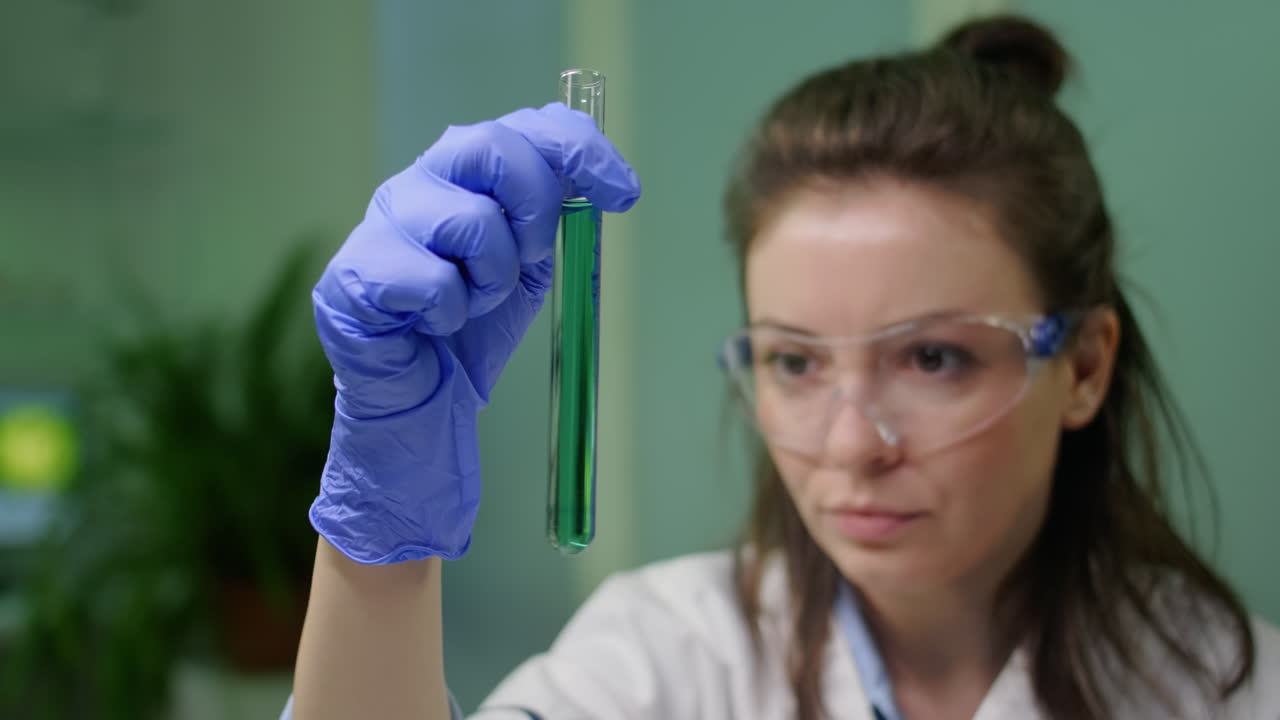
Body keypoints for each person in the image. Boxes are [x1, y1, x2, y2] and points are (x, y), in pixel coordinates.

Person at [283, 15, 1280, 720]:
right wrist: (380, 548)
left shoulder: (1237, 691)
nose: (850, 447)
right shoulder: (666, 661)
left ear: (1085, 368)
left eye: (932, 357)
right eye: (793, 362)